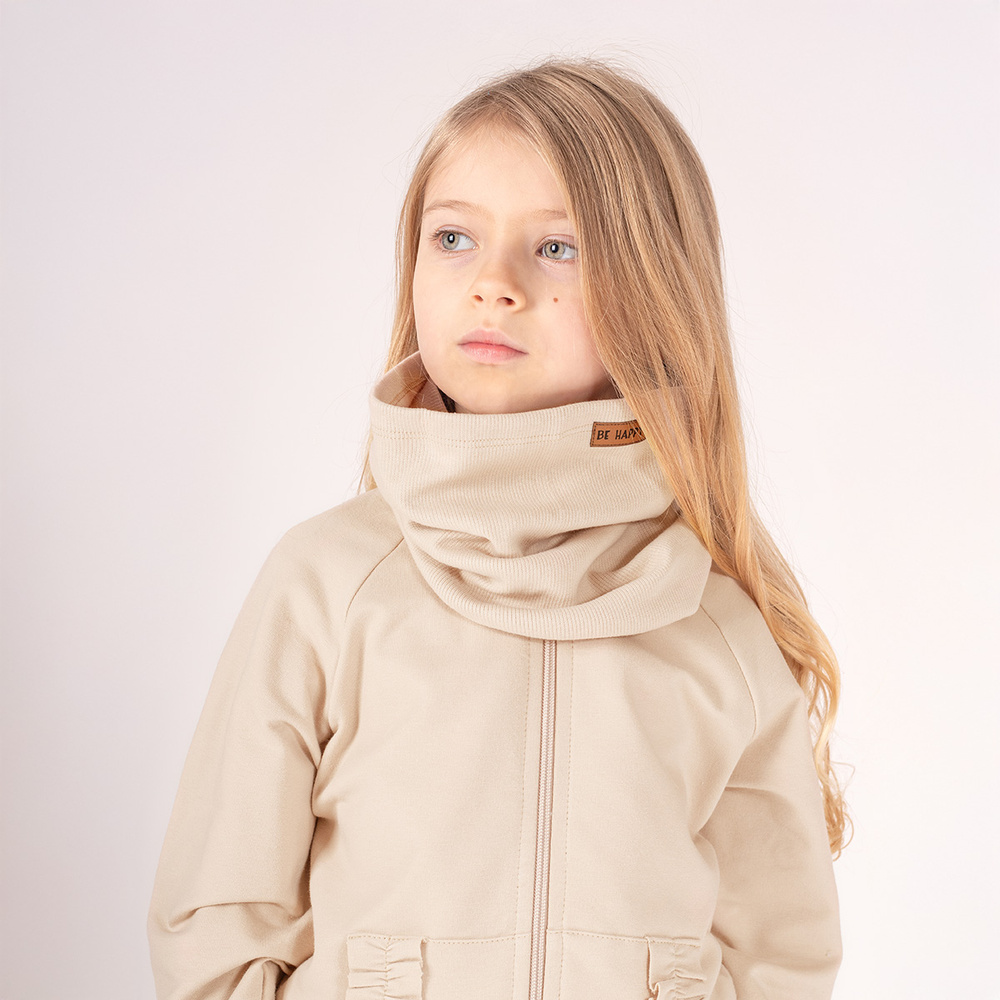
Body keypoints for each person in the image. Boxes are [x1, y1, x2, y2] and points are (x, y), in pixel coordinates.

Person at [148, 54, 850, 1000]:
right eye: (454, 238)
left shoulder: (715, 620)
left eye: (558, 247)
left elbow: (782, 958)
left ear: (655, 285)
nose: (494, 283)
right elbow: (215, 932)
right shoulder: (328, 584)